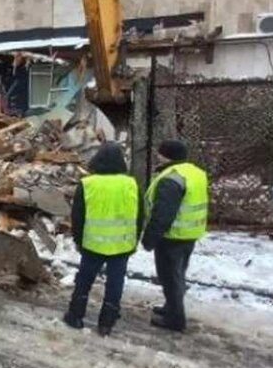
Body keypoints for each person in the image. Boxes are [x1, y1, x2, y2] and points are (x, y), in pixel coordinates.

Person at [63, 141, 141, 336]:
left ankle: (76, 316)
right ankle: (107, 322)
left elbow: (78, 217)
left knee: (84, 280)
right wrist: (134, 240)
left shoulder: (88, 184)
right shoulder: (131, 184)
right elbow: (140, 215)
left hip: (92, 244)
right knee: (115, 283)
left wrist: (78, 241)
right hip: (122, 244)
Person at [141, 139, 209, 332]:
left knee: (170, 277)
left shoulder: (171, 179)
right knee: (178, 273)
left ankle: (175, 319)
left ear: (167, 156)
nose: (156, 156)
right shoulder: (194, 172)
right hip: (190, 233)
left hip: (172, 236)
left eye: (160, 153)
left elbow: (163, 214)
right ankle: (171, 307)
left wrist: (150, 238)